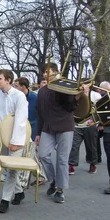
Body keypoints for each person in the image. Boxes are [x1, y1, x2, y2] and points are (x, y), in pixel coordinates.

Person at [35, 63, 81, 203]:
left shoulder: (64, 88)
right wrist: (38, 132)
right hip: (48, 127)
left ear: (56, 72)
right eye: (45, 72)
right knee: (42, 154)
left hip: (65, 127)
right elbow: (40, 113)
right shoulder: (42, 91)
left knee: (62, 160)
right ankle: (54, 179)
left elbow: (70, 107)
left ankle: (60, 190)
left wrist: (77, 97)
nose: (46, 74)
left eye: (49, 71)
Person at [0, 70, 29, 213]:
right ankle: (19, 192)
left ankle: (5, 200)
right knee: (7, 167)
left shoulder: (20, 96)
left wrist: (16, 141)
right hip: (2, 138)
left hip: (17, 138)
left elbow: (21, 120)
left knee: (12, 170)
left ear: (8, 80)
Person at [69, 83, 102, 174]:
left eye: (86, 85)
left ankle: (92, 164)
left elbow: (99, 109)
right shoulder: (75, 94)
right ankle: (71, 165)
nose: (84, 87)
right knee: (73, 146)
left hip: (90, 125)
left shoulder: (96, 95)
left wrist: (96, 121)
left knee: (91, 146)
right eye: (82, 85)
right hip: (76, 124)